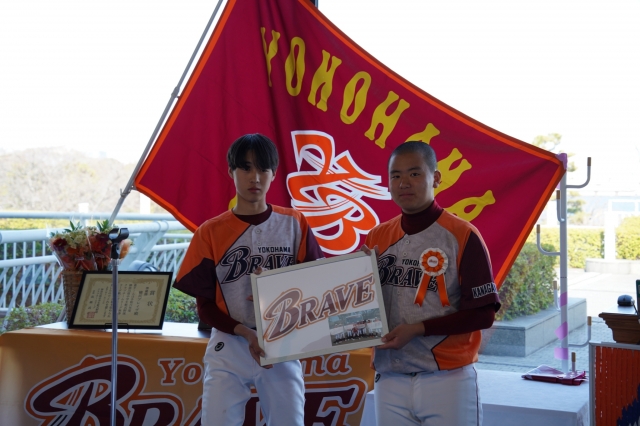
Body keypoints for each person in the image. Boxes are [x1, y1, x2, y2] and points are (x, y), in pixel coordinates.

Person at [173, 133, 324, 426]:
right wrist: (245, 332)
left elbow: (316, 286)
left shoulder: (295, 223)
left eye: (263, 168)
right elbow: (204, 307)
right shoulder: (209, 232)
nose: (255, 177)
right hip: (229, 342)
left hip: (281, 340)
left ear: (274, 173)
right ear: (231, 171)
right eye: (245, 167)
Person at [362, 141, 500, 426]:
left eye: (414, 174)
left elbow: (484, 314)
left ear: (435, 178)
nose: (404, 183)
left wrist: (418, 329)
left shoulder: (462, 235)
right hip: (390, 378)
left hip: (447, 379)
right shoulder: (376, 237)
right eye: (396, 175)